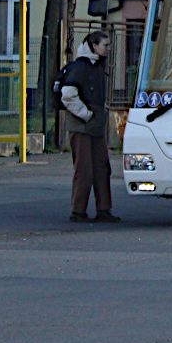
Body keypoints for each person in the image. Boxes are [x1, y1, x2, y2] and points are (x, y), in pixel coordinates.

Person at [61, 30, 119, 223]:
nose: (108, 49)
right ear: (94, 46)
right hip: (82, 125)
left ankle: (103, 209)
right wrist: (86, 115)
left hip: (93, 123)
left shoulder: (97, 66)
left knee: (102, 167)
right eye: (105, 45)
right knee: (84, 169)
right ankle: (78, 211)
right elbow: (68, 94)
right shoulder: (81, 66)